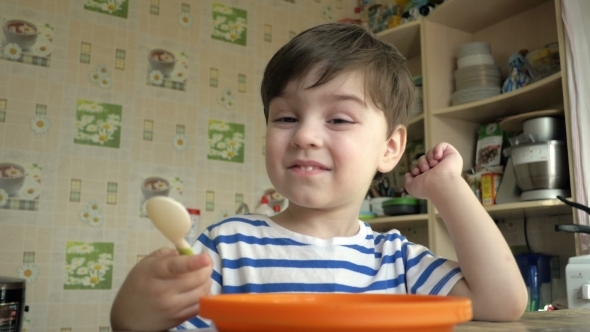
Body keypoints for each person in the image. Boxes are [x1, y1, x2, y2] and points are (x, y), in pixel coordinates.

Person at [110, 23, 527, 331]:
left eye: (340, 118)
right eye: (286, 117)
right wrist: (133, 315)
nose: (305, 136)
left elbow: (503, 302)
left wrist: (448, 188)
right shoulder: (226, 248)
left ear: (390, 148)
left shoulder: (397, 260)